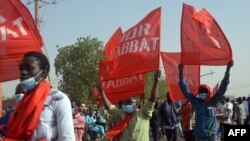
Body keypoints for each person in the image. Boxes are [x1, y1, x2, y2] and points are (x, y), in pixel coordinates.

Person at [5, 51, 75, 141]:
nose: (23, 72)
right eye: (21, 68)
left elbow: (67, 138)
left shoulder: (58, 99)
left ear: (44, 72)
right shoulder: (22, 103)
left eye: (28, 68)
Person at [97, 70, 160, 141]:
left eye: (130, 103)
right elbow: (109, 107)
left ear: (137, 104)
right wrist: (102, 91)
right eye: (125, 103)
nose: (127, 105)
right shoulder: (121, 114)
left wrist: (156, 81)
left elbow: (152, 99)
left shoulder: (144, 112)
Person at [178, 60, 233, 141]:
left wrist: (228, 69)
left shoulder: (213, 101)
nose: (203, 93)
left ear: (209, 92)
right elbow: (185, 90)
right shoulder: (195, 102)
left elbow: (222, 88)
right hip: (199, 136)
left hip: (211, 136)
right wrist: (180, 73)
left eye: (205, 91)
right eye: (201, 92)